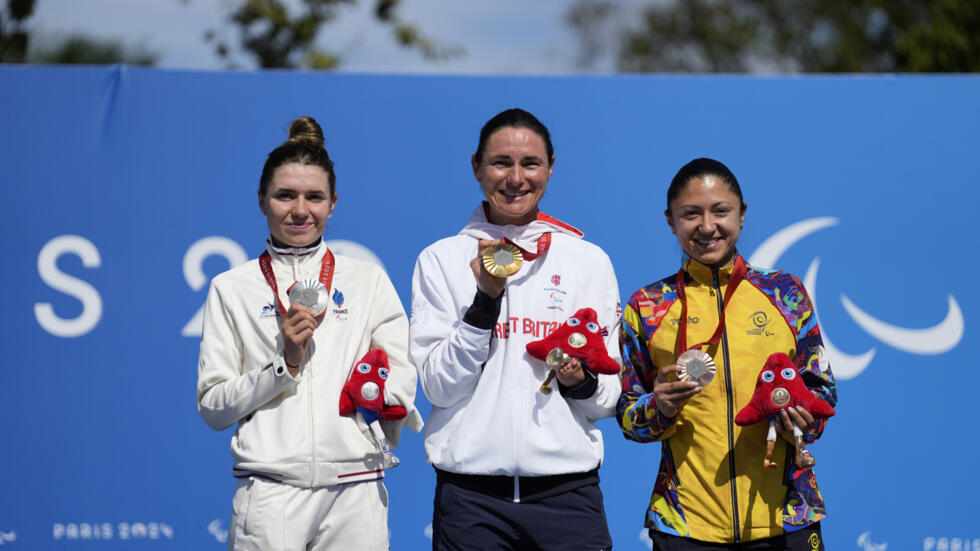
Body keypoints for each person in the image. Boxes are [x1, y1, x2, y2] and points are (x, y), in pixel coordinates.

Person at [196, 116, 422, 551]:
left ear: (333, 203)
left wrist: (376, 401)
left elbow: (401, 381)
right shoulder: (231, 287)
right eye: (285, 196)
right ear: (261, 200)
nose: (300, 210)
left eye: (314, 197)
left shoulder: (367, 280)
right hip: (270, 491)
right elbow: (212, 407)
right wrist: (285, 365)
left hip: (356, 492)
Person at [410, 108, 620, 551]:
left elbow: (605, 401)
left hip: (568, 496)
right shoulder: (441, 260)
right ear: (476, 167)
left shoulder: (588, 261)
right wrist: (485, 301)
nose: (516, 178)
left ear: (551, 167)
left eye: (530, 164)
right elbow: (439, 388)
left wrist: (579, 381)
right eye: (501, 163)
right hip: (471, 501)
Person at [618, 158, 838, 550]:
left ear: (742, 214)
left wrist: (798, 421)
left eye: (721, 211)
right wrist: (659, 408)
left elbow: (822, 395)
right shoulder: (648, 306)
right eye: (691, 214)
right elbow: (629, 416)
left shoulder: (784, 294)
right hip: (686, 527)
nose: (707, 226)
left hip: (788, 520)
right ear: (670, 220)